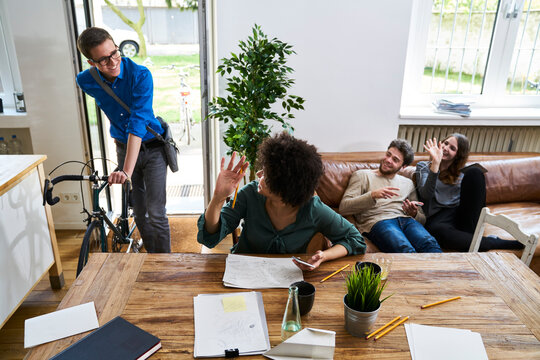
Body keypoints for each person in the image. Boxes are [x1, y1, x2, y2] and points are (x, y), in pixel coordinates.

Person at [197, 132, 366, 270]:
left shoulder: (313, 209)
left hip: (286, 281)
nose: (259, 176)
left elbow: (355, 240)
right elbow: (209, 237)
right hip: (243, 272)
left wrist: (324, 256)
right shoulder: (250, 194)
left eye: (267, 177)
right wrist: (218, 198)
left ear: (286, 191)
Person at [76, 27, 170, 253]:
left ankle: (166, 264)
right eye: (104, 60)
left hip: (153, 148)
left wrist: (125, 171)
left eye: (115, 53)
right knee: (139, 213)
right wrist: (127, 166)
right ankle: (151, 259)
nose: (113, 62)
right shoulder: (85, 81)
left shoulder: (140, 75)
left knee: (156, 212)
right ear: (92, 63)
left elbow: (137, 123)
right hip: (123, 148)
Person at [416, 134, 522, 251]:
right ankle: (492, 242)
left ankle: (470, 237)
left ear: (458, 156)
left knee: (475, 172)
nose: (446, 148)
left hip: (460, 216)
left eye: (452, 148)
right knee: (438, 231)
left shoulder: (463, 172)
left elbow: (473, 201)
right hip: (437, 219)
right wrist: (435, 163)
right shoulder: (423, 167)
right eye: (446, 143)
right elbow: (426, 194)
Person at [339, 139, 442, 253]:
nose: (388, 160)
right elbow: (344, 207)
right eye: (388, 154)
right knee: (405, 249)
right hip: (379, 221)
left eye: (395, 160)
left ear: (403, 167)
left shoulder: (407, 183)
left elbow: (422, 219)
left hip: (406, 220)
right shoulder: (362, 175)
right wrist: (372, 195)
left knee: (430, 245)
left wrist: (414, 213)